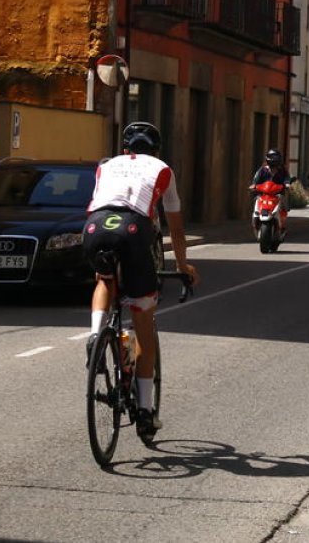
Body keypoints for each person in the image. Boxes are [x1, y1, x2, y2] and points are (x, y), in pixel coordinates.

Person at [82, 121, 199, 445]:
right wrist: (182, 264)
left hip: (94, 227)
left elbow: (102, 203)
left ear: (124, 149)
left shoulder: (106, 166)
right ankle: (146, 411)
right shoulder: (163, 169)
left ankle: (95, 334)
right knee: (143, 319)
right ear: (157, 151)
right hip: (134, 231)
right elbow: (175, 229)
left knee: (105, 280)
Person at [250, 149, 291, 234]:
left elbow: (287, 178)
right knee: (256, 199)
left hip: (277, 194)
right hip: (264, 194)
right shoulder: (262, 170)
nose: (274, 159)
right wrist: (254, 185)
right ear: (268, 158)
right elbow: (256, 179)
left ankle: (282, 224)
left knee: (283, 202)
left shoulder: (282, 170)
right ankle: (256, 216)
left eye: (276, 157)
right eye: (272, 157)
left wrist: (287, 184)